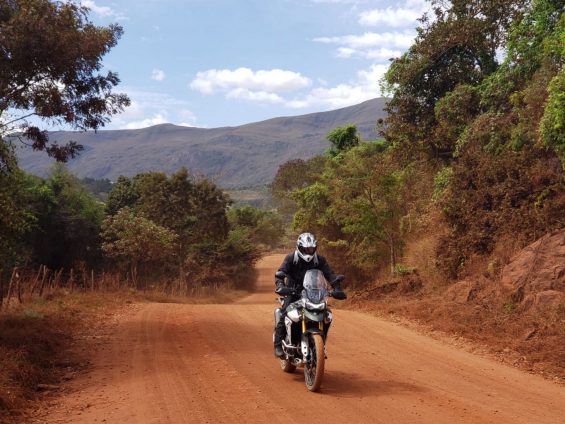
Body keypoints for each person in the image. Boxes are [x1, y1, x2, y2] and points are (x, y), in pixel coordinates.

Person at [273, 232, 345, 358]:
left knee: (326, 314)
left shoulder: (320, 260)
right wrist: (280, 285)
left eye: (311, 249)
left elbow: (330, 275)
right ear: (299, 247)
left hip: (313, 292)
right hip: (293, 292)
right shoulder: (291, 258)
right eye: (305, 249)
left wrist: (336, 287)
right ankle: (278, 345)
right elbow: (281, 272)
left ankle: (319, 344)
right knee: (285, 313)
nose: (308, 251)